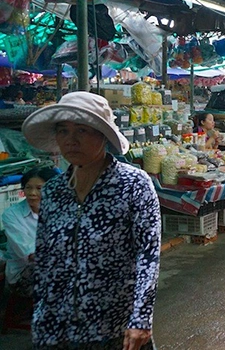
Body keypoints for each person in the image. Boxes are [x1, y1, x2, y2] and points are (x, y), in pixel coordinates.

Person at [21, 92, 160, 349]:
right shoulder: (53, 191)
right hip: (58, 329)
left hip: (116, 329)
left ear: (103, 136)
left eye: (82, 131)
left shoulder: (134, 185)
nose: (71, 140)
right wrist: (40, 315)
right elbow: (45, 258)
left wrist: (141, 317)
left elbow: (148, 256)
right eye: (63, 131)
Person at [2, 167, 58, 297]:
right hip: (23, 275)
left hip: (55, 266)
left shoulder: (59, 210)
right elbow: (30, 254)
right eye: (28, 187)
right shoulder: (12, 215)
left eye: (39, 188)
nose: (32, 193)